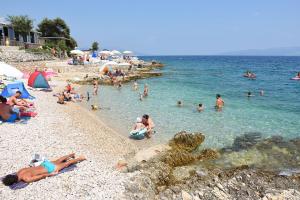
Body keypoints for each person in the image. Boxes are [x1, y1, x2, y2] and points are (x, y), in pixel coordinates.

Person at [2, 154, 86, 186]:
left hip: (49, 169)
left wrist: (51, 174)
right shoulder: (20, 171)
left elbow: (41, 176)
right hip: (44, 164)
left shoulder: (26, 179)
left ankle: (81, 158)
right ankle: (71, 154)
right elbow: (30, 168)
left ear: (15, 182)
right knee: (58, 160)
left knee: (66, 164)